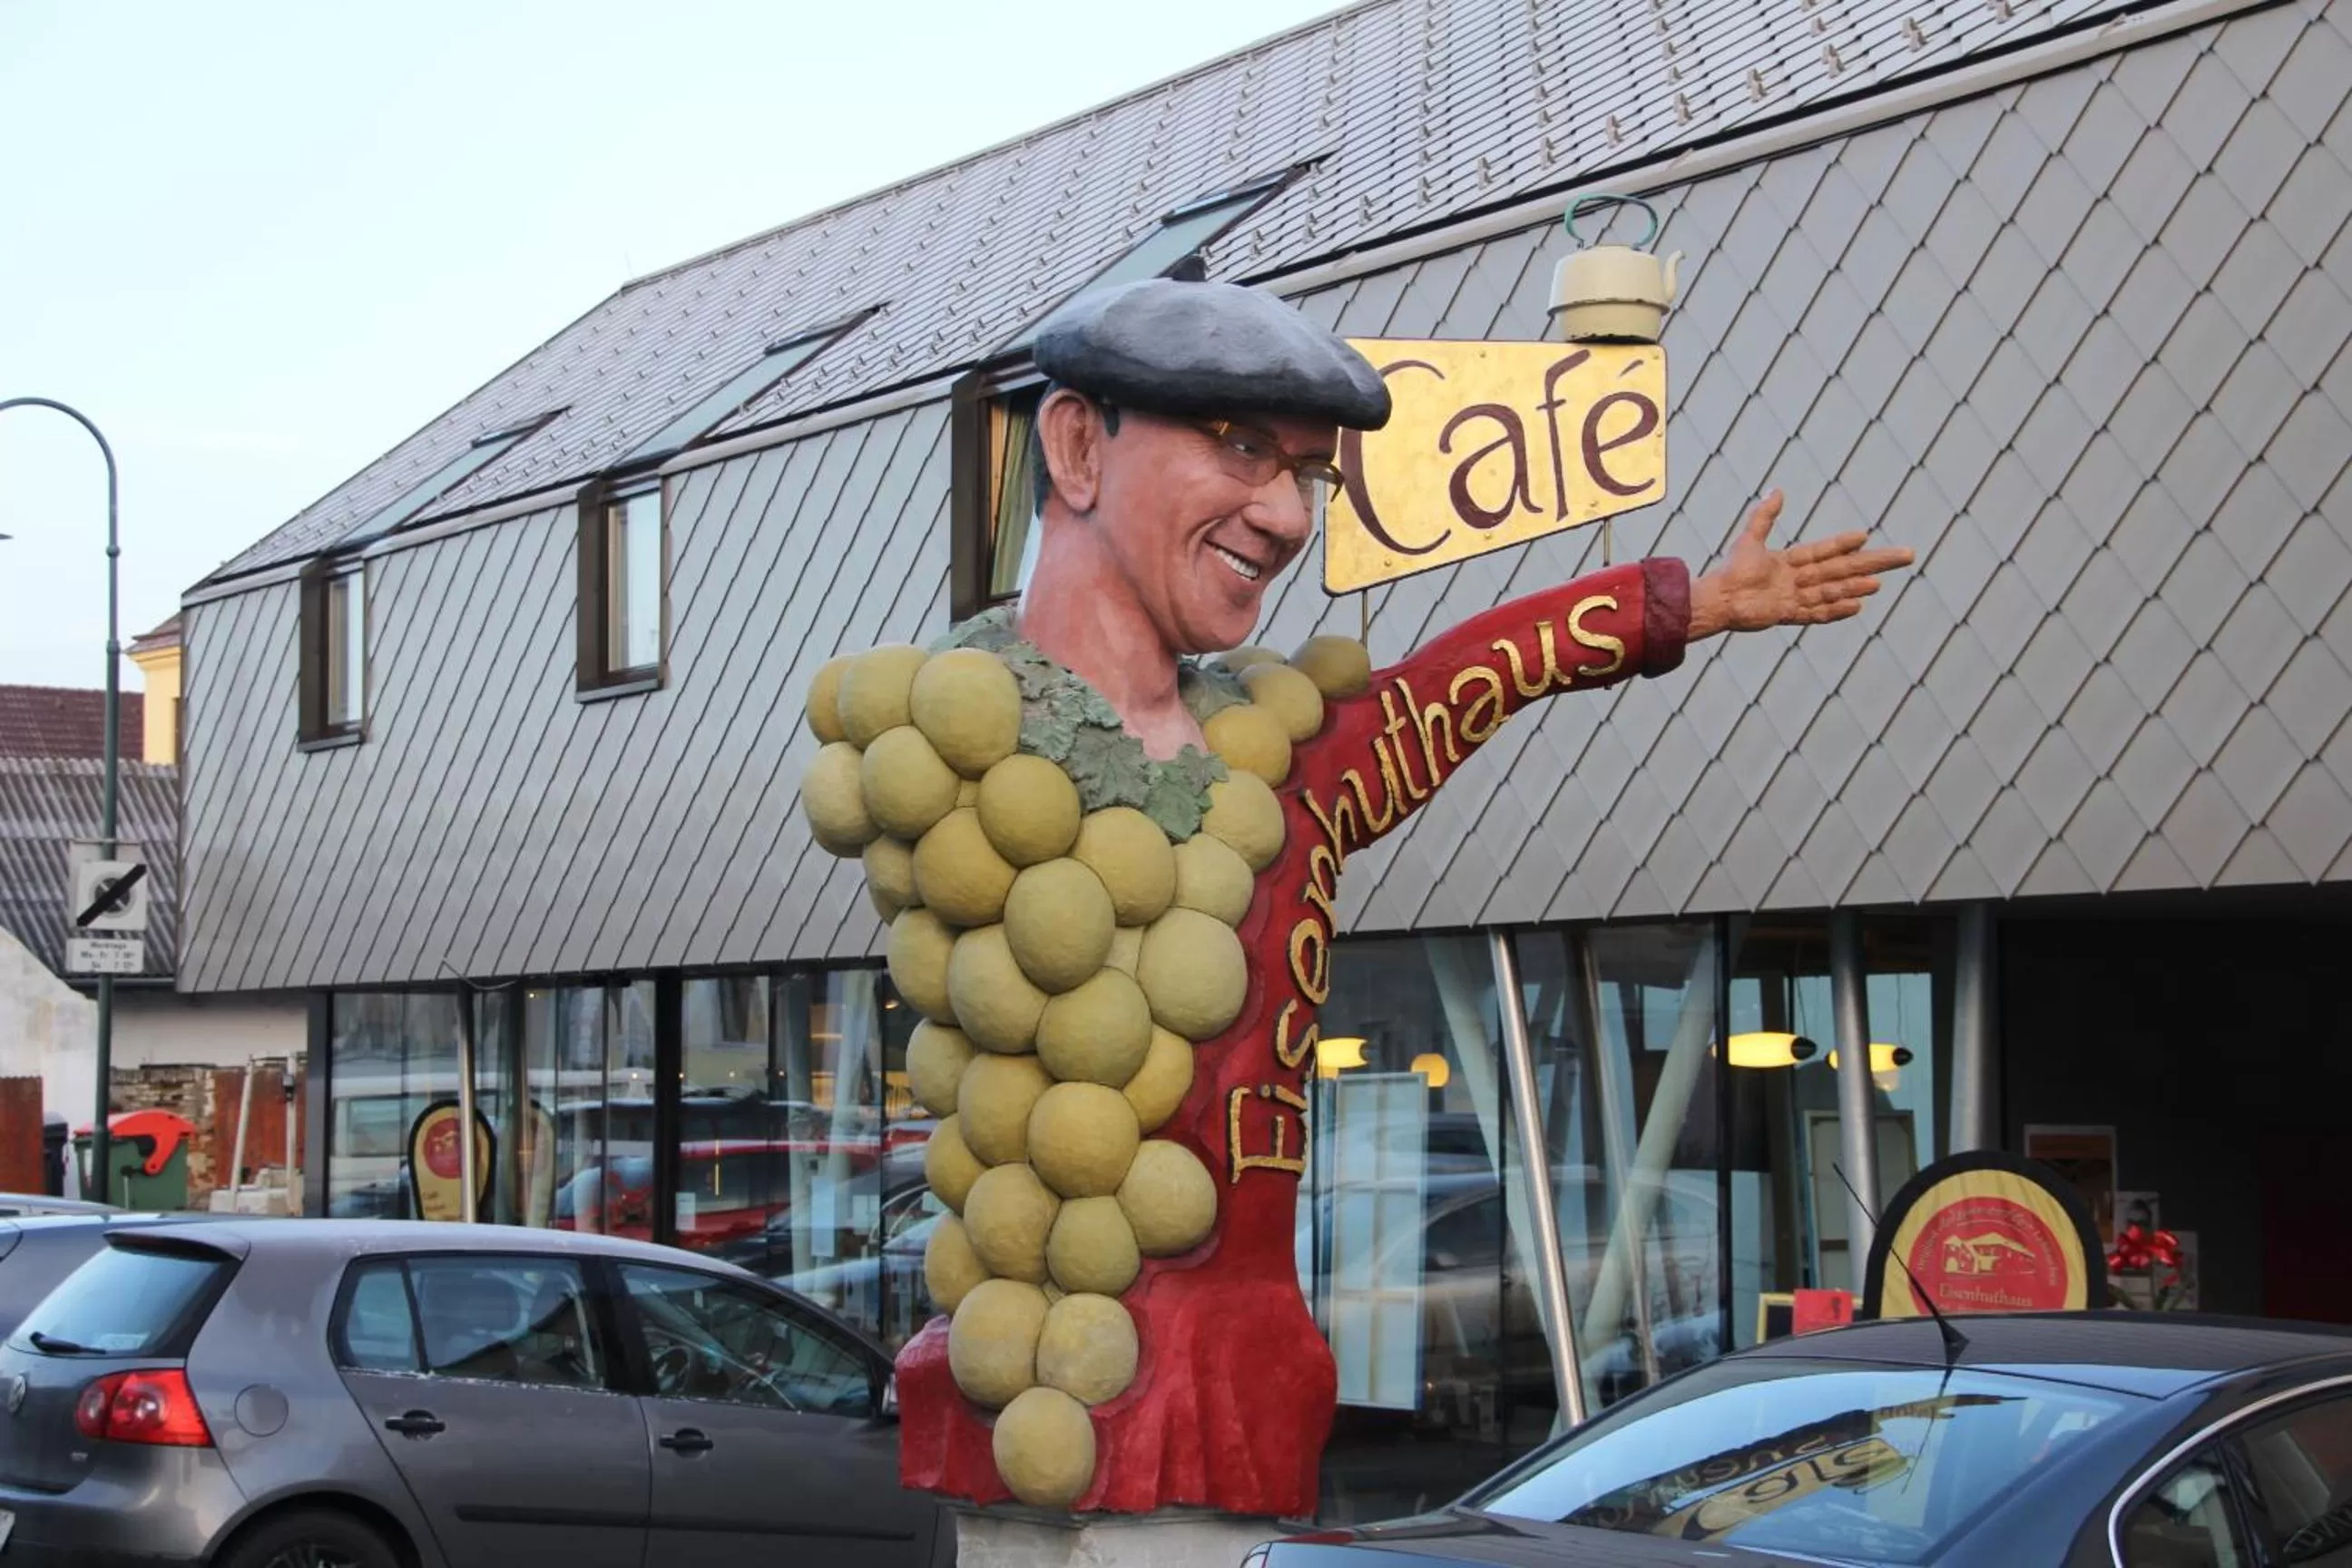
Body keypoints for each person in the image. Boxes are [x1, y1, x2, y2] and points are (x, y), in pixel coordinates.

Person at [888, 277, 1914, 1517]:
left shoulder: (1285, 767)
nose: (1284, 515)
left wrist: (1684, 605)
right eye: (1241, 447)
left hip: (1226, 1385)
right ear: (1074, 445)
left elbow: (1462, 677)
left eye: (1307, 475)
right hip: (1028, 1374)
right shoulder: (956, 752)